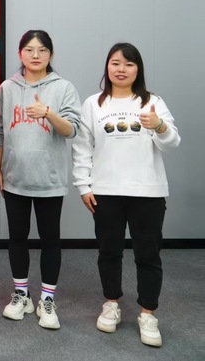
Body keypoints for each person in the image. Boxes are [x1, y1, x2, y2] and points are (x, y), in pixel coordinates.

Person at [72, 42, 180, 348]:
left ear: (138, 69)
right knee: (109, 252)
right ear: (107, 67)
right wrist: (83, 185)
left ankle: (148, 313)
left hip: (148, 192)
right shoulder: (93, 104)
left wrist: (159, 125)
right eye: (115, 63)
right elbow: (82, 148)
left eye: (129, 64)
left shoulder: (152, 101)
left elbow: (172, 142)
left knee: (148, 254)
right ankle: (111, 303)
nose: (121, 69)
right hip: (106, 192)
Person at [0, 30, 81, 329]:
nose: (35, 55)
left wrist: (48, 113)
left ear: (50, 54)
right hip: (15, 176)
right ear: (20, 53)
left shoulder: (63, 87)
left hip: (49, 179)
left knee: (50, 239)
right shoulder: (7, 88)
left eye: (42, 50)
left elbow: (71, 130)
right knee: (17, 237)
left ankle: (47, 299)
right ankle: (21, 294)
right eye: (29, 49)